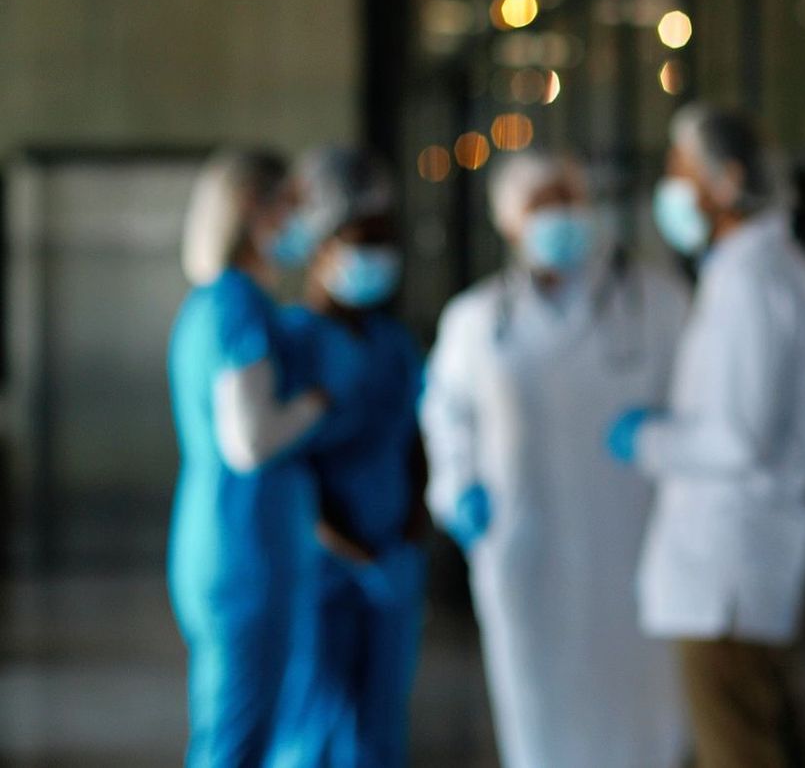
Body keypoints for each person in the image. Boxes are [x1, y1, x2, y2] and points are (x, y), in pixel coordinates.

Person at [420, 149, 691, 768]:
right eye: (542, 207)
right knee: (538, 711)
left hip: (636, 540)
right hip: (523, 547)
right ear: (510, 223)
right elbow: (444, 413)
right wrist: (458, 488)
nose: (561, 217)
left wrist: (667, 440)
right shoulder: (476, 319)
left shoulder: (658, 303)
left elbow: (702, 405)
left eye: (570, 201)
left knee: (642, 709)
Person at [606, 103, 805, 768]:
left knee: (738, 746)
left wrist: (647, 439)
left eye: (682, 171)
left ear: (728, 180)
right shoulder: (760, 271)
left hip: (725, 571)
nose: (672, 189)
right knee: (759, 735)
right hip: (737, 563)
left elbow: (739, 439)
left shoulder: (752, 281)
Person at [168, 148, 329, 767]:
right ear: (250, 209)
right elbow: (250, 441)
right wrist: (316, 404)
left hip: (227, 545)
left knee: (238, 726)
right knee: (235, 741)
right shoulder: (236, 306)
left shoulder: (216, 304)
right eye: (290, 205)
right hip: (246, 555)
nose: (299, 221)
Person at [270, 147, 428, 768]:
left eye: (386, 240)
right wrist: (341, 543)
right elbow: (283, 462)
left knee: (380, 729)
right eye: (363, 239)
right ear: (320, 246)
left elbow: (416, 435)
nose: (378, 256)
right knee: (311, 725)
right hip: (320, 568)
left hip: (392, 559)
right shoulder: (292, 341)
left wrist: (413, 524)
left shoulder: (392, 342)